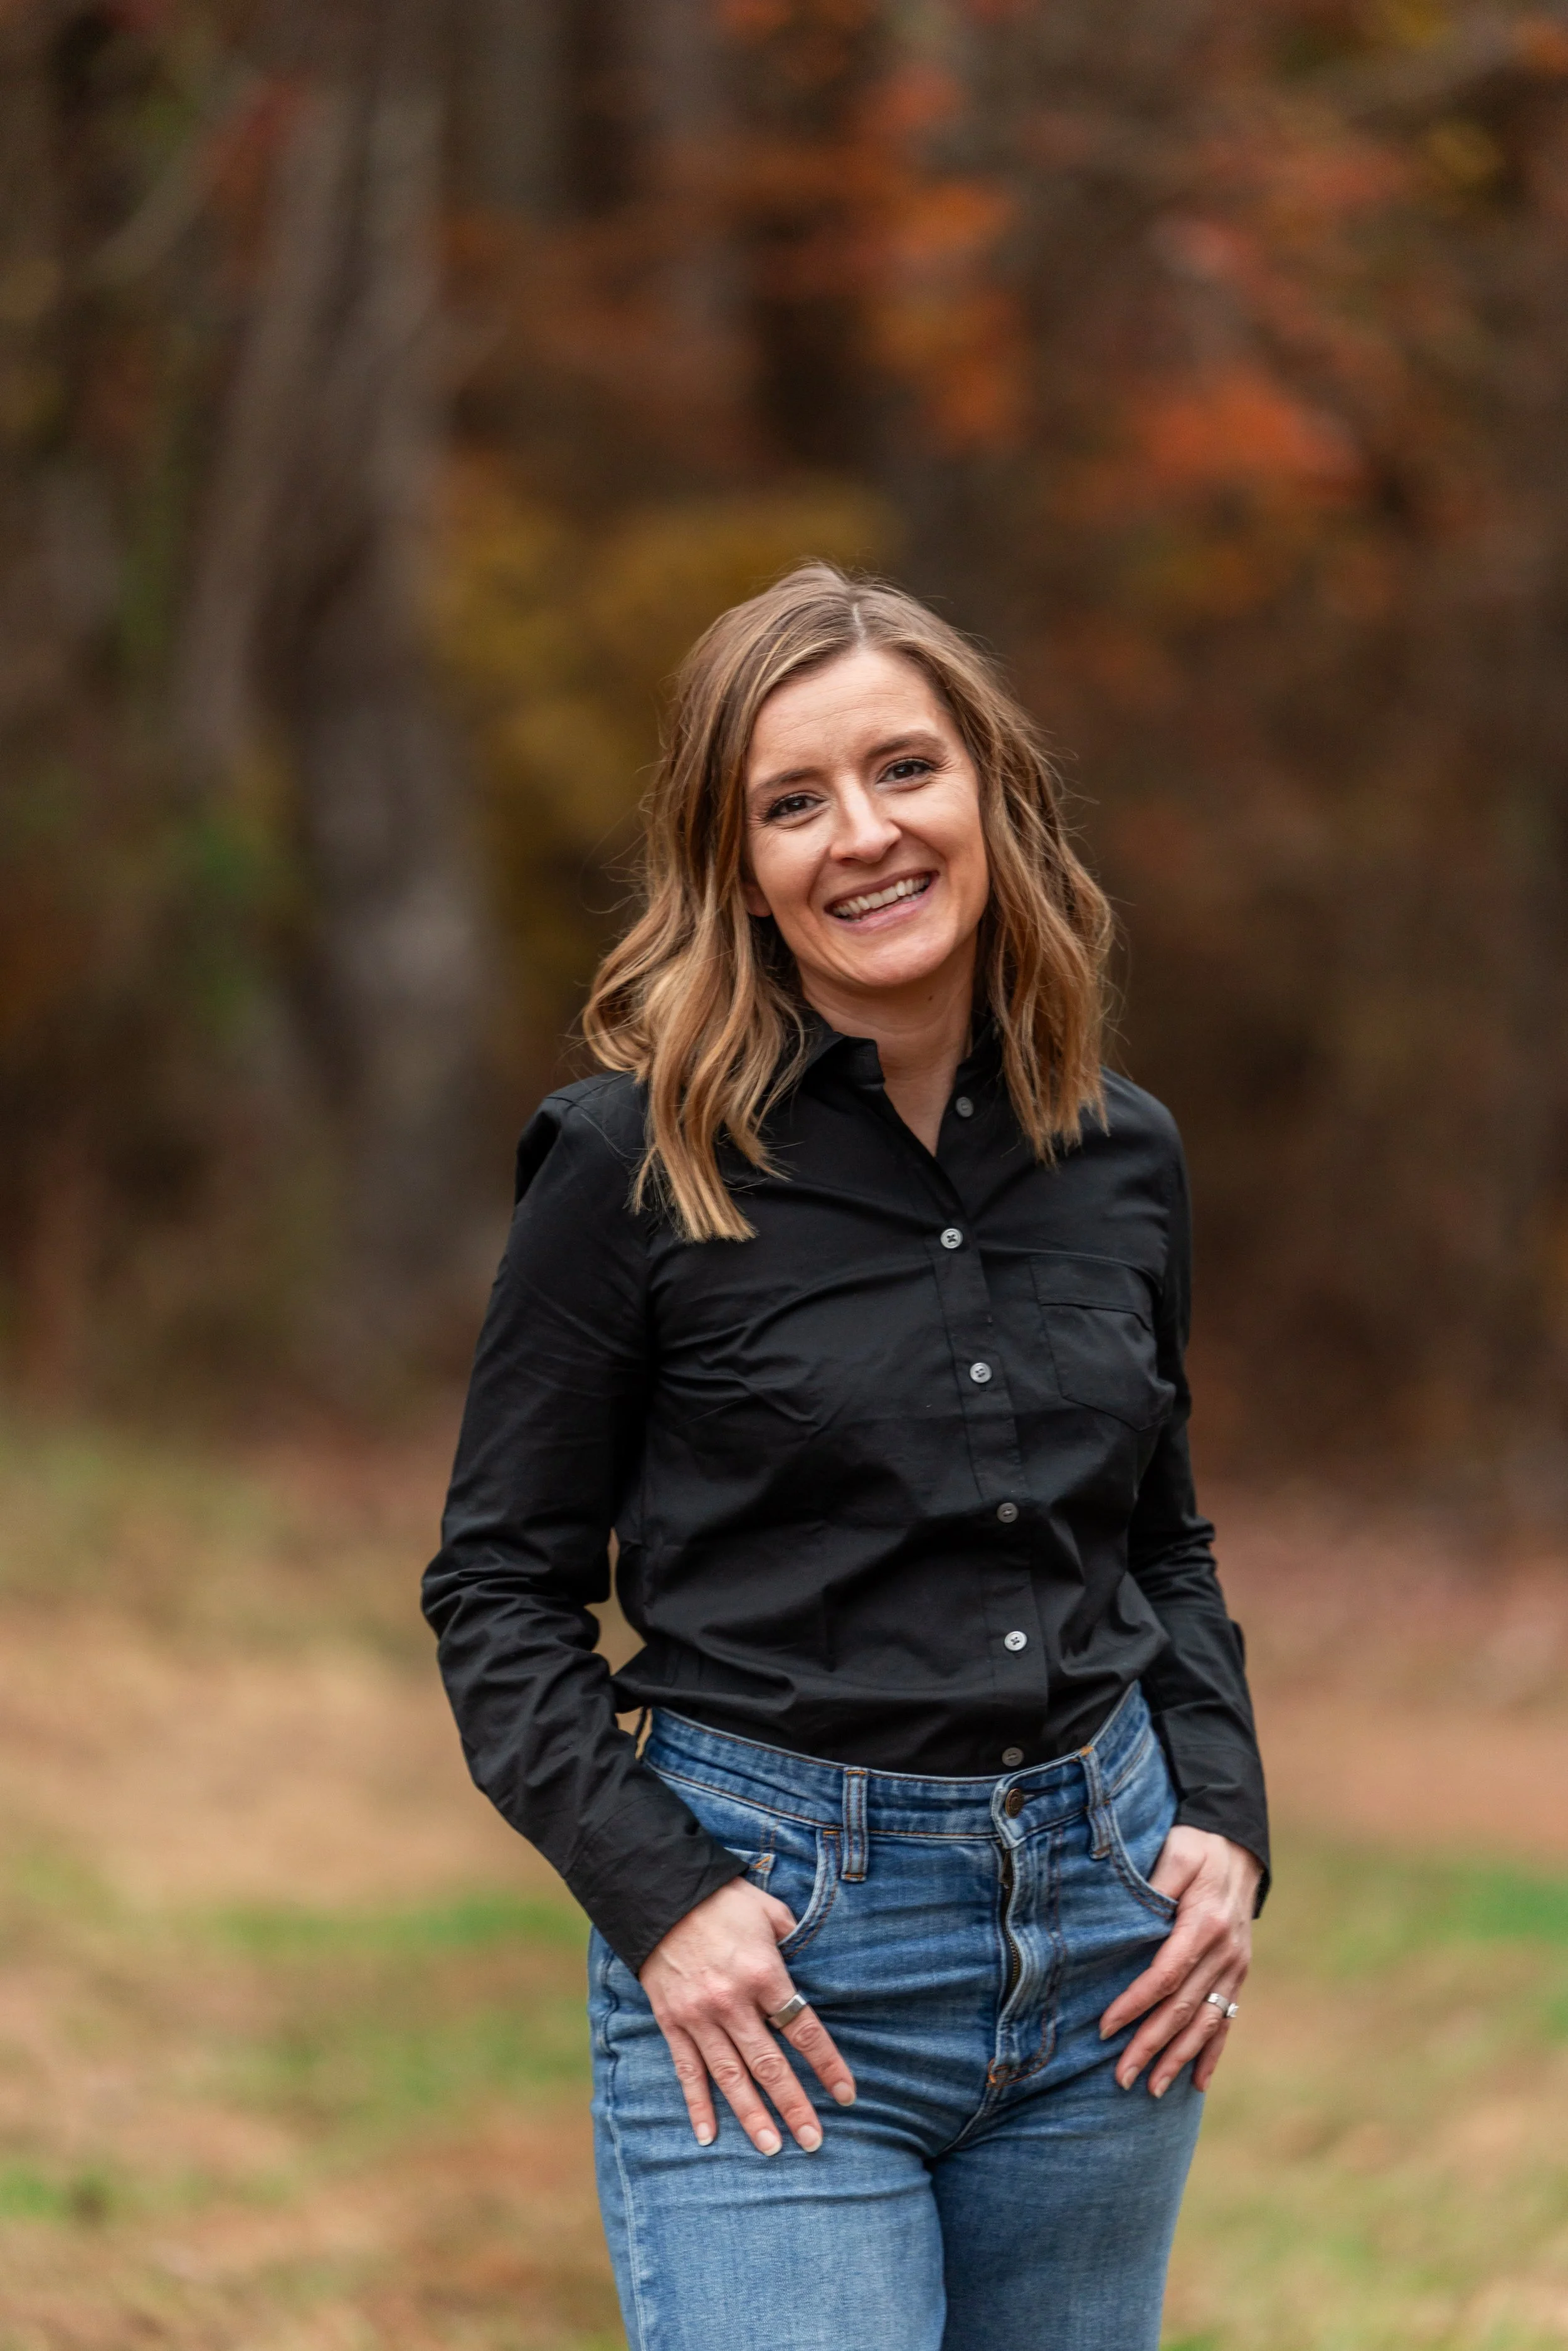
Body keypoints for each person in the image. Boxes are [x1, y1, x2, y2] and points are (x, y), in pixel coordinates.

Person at [423, 565, 1268, 2351]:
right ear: (733, 865)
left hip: (1107, 1966)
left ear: (992, 796)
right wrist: (666, 1904)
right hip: (781, 1959)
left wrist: (1222, 1815)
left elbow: (1161, 1543)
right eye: (791, 802)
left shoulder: (1122, 1156)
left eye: (903, 770)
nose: (860, 835)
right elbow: (497, 1593)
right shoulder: (625, 1166)